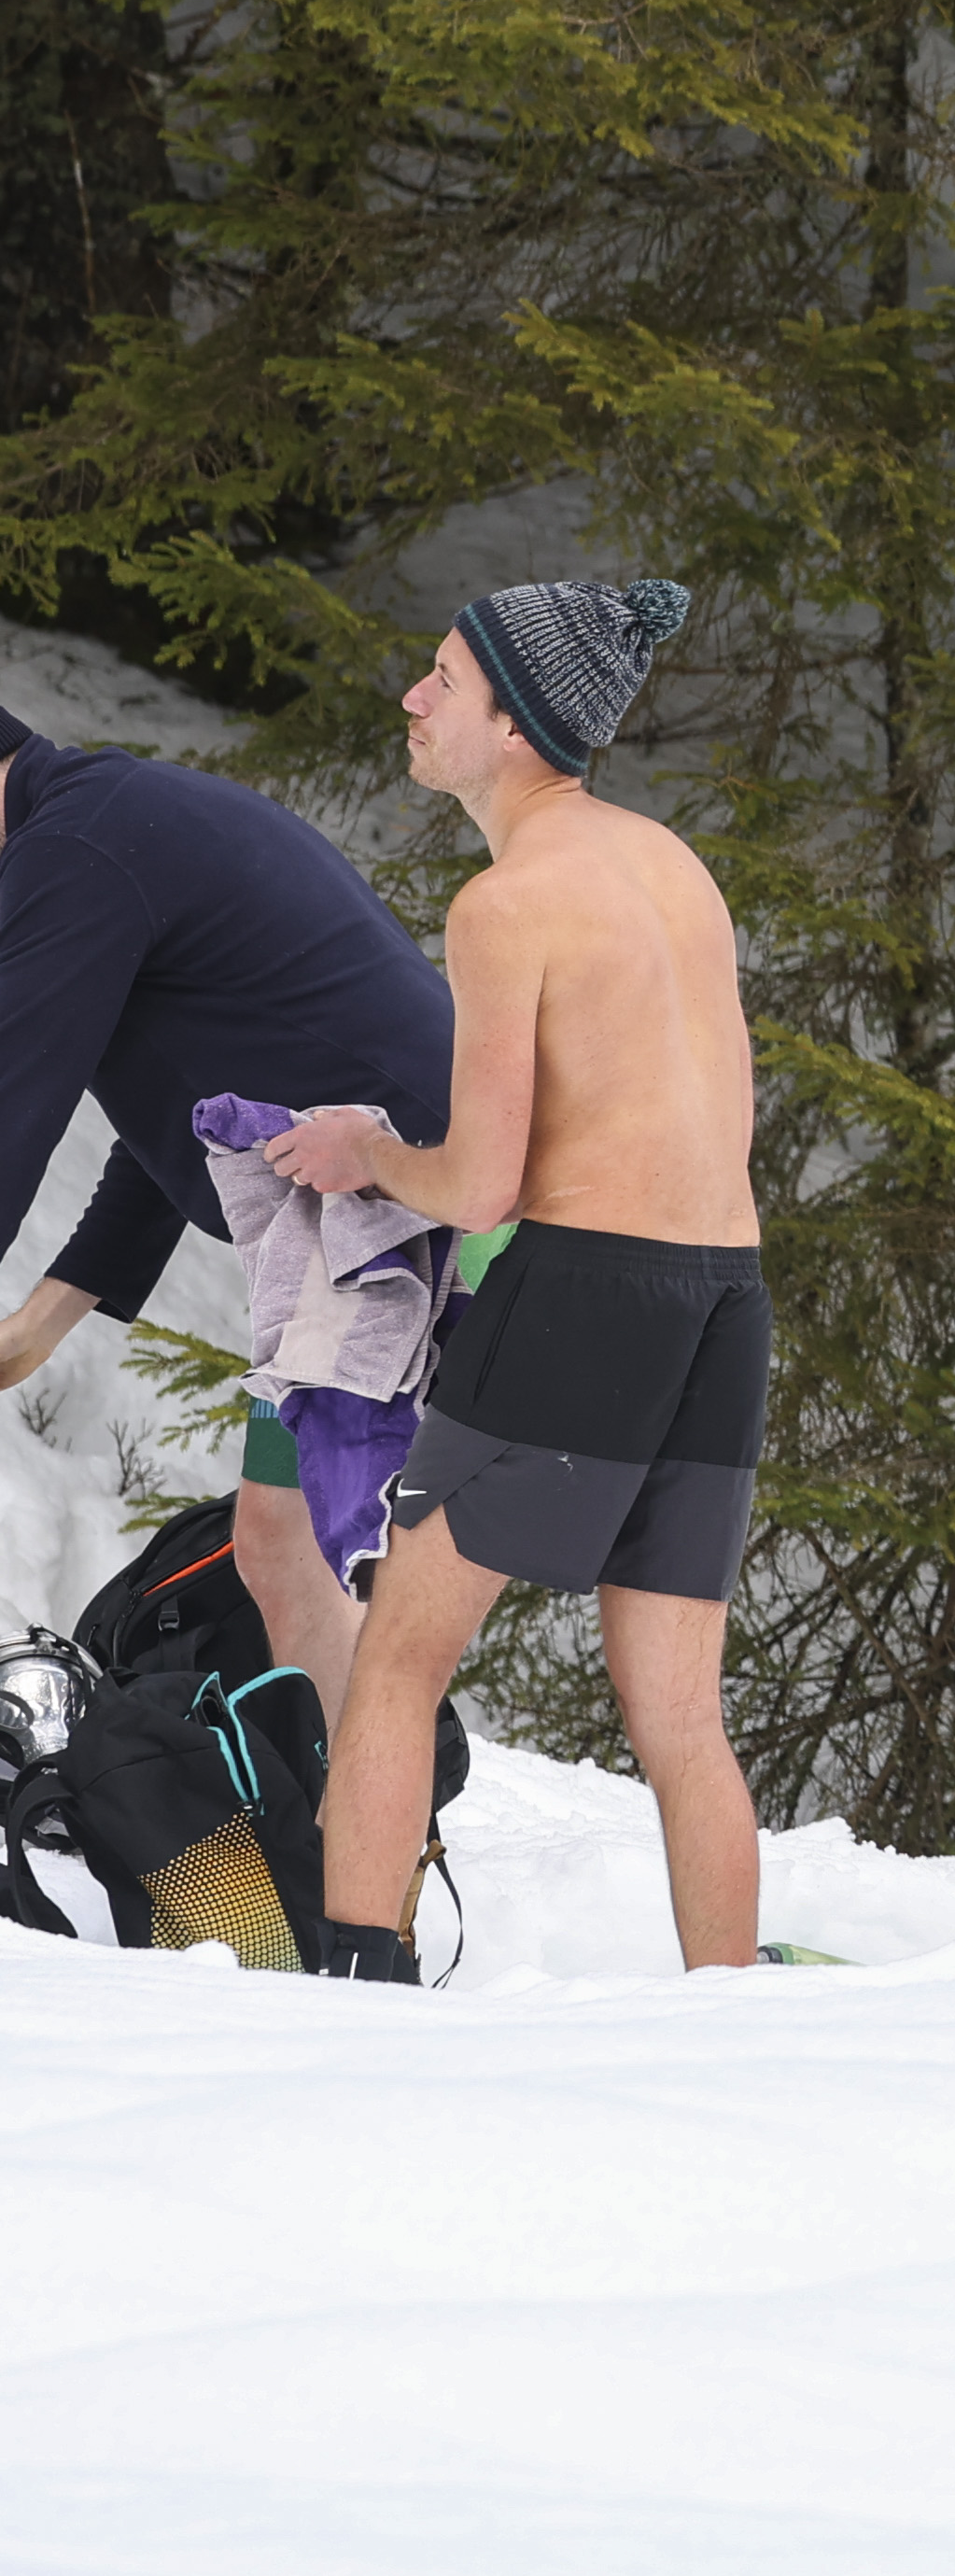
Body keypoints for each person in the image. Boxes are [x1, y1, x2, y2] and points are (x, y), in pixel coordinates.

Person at [291, 579, 763, 1982]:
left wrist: (368, 1155)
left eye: (444, 678)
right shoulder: (670, 863)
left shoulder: (506, 905)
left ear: (515, 724)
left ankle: (358, 1987)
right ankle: (739, 2019)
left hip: (587, 1295)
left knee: (397, 1658)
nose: (413, 698)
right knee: (681, 1718)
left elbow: (484, 1185)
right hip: (726, 1296)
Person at [0, 701, 456, 1722]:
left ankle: (364, 1814)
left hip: (398, 1218)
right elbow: (185, 1106)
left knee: (304, 1554)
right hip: (387, 1215)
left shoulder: (72, 850)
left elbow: (9, 1103)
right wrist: (42, 1321)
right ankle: (360, 1806)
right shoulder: (110, 820)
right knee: (294, 1547)